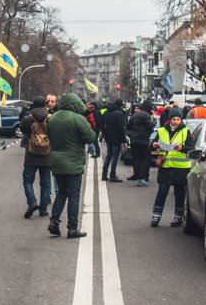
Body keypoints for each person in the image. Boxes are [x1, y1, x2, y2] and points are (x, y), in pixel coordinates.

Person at [46, 94, 96, 238]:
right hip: (73, 161)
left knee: (61, 192)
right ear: (75, 104)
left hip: (56, 161)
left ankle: (54, 221)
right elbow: (90, 137)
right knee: (74, 195)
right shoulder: (77, 119)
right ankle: (72, 228)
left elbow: (50, 136)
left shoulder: (53, 118)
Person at [150, 110, 196, 227]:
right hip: (165, 167)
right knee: (162, 192)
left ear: (181, 120)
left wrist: (181, 147)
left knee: (179, 194)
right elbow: (153, 144)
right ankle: (156, 217)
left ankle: (178, 218)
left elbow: (191, 148)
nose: (175, 122)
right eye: (174, 119)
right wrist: (154, 145)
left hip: (180, 168)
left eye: (178, 119)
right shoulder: (162, 131)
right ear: (169, 120)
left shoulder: (185, 132)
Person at [18, 97, 52, 219]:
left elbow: (23, 130)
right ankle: (43, 209)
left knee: (28, 181)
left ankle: (32, 202)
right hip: (47, 154)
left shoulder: (28, 118)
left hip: (31, 154)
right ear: (45, 105)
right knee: (46, 183)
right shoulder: (50, 118)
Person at [127, 101, 155, 187]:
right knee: (146, 159)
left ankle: (137, 176)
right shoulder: (146, 115)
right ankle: (142, 178)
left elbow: (128, 126)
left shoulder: (135, 115)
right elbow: (150, 126)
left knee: (137, 159)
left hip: (135, 140)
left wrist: (133, 134)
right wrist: (154, 120)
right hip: (144, 140)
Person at [99, 99, 128, 182]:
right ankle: (112, 175)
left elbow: (102, 125)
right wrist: (123, 140)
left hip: (108, 137)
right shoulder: (119, 114)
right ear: (120, 105)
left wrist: (105, 135)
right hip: (116, 138)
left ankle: (104, 175)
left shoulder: (106, 112)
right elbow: (120, 128)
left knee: (108, 155)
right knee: (115, 156)